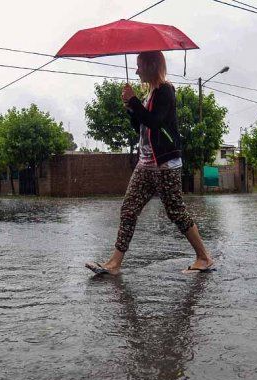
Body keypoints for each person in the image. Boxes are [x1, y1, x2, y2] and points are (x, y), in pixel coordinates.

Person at [86, 51, 214, 275]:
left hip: (165, 163)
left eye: (139, 66)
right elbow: (142, 128)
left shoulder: (166, 90)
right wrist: (131, 109)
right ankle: (114, 263)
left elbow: (155, 122)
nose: (136, 71)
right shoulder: (149, 94)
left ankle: (204, 257)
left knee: (175, 211)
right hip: (145, 163)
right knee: (128, 209)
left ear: (151, 65)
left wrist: (134, 101)